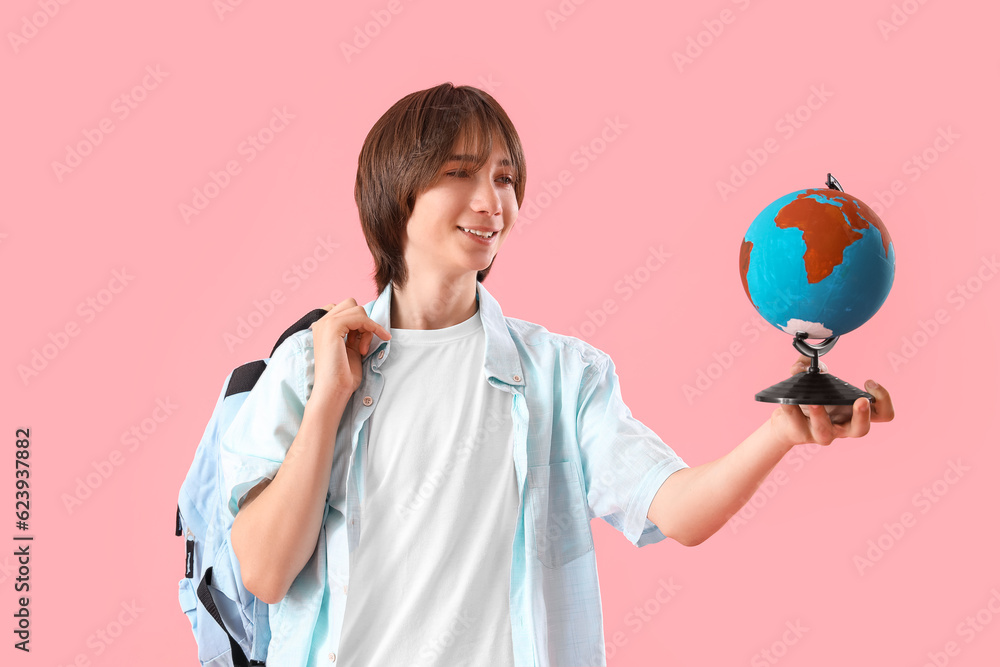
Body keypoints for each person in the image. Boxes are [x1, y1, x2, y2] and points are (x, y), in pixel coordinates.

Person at [220, 82, 894, 666]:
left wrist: (779, 433)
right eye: (462, 173)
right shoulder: (310, 363)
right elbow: (268, 571)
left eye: (507, 178)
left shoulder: (561, 376)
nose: (494, 201)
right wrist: (329, 398)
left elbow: (677, 511)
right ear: (398, 192)